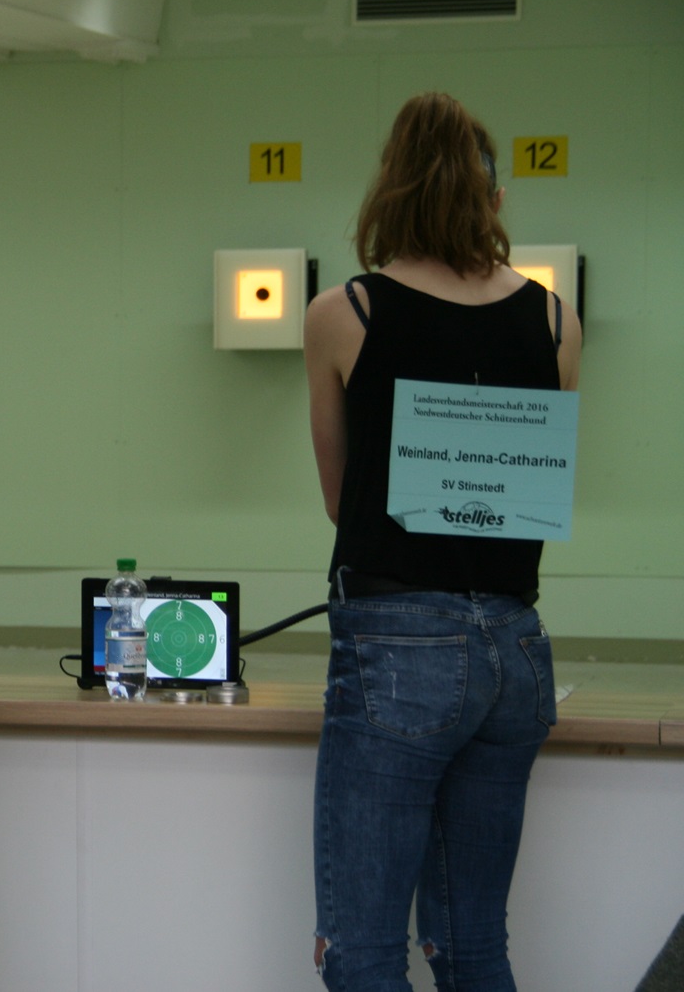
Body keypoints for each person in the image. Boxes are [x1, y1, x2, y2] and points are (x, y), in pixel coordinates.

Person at [302, 93, 582, 991]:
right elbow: (535, 489)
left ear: (390, 190)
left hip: (398, 645)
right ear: (491, 201)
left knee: (363, 948)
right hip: (517, 649)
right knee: (473, 945)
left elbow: (341, 498)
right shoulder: (555, 319)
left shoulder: (345, 311)